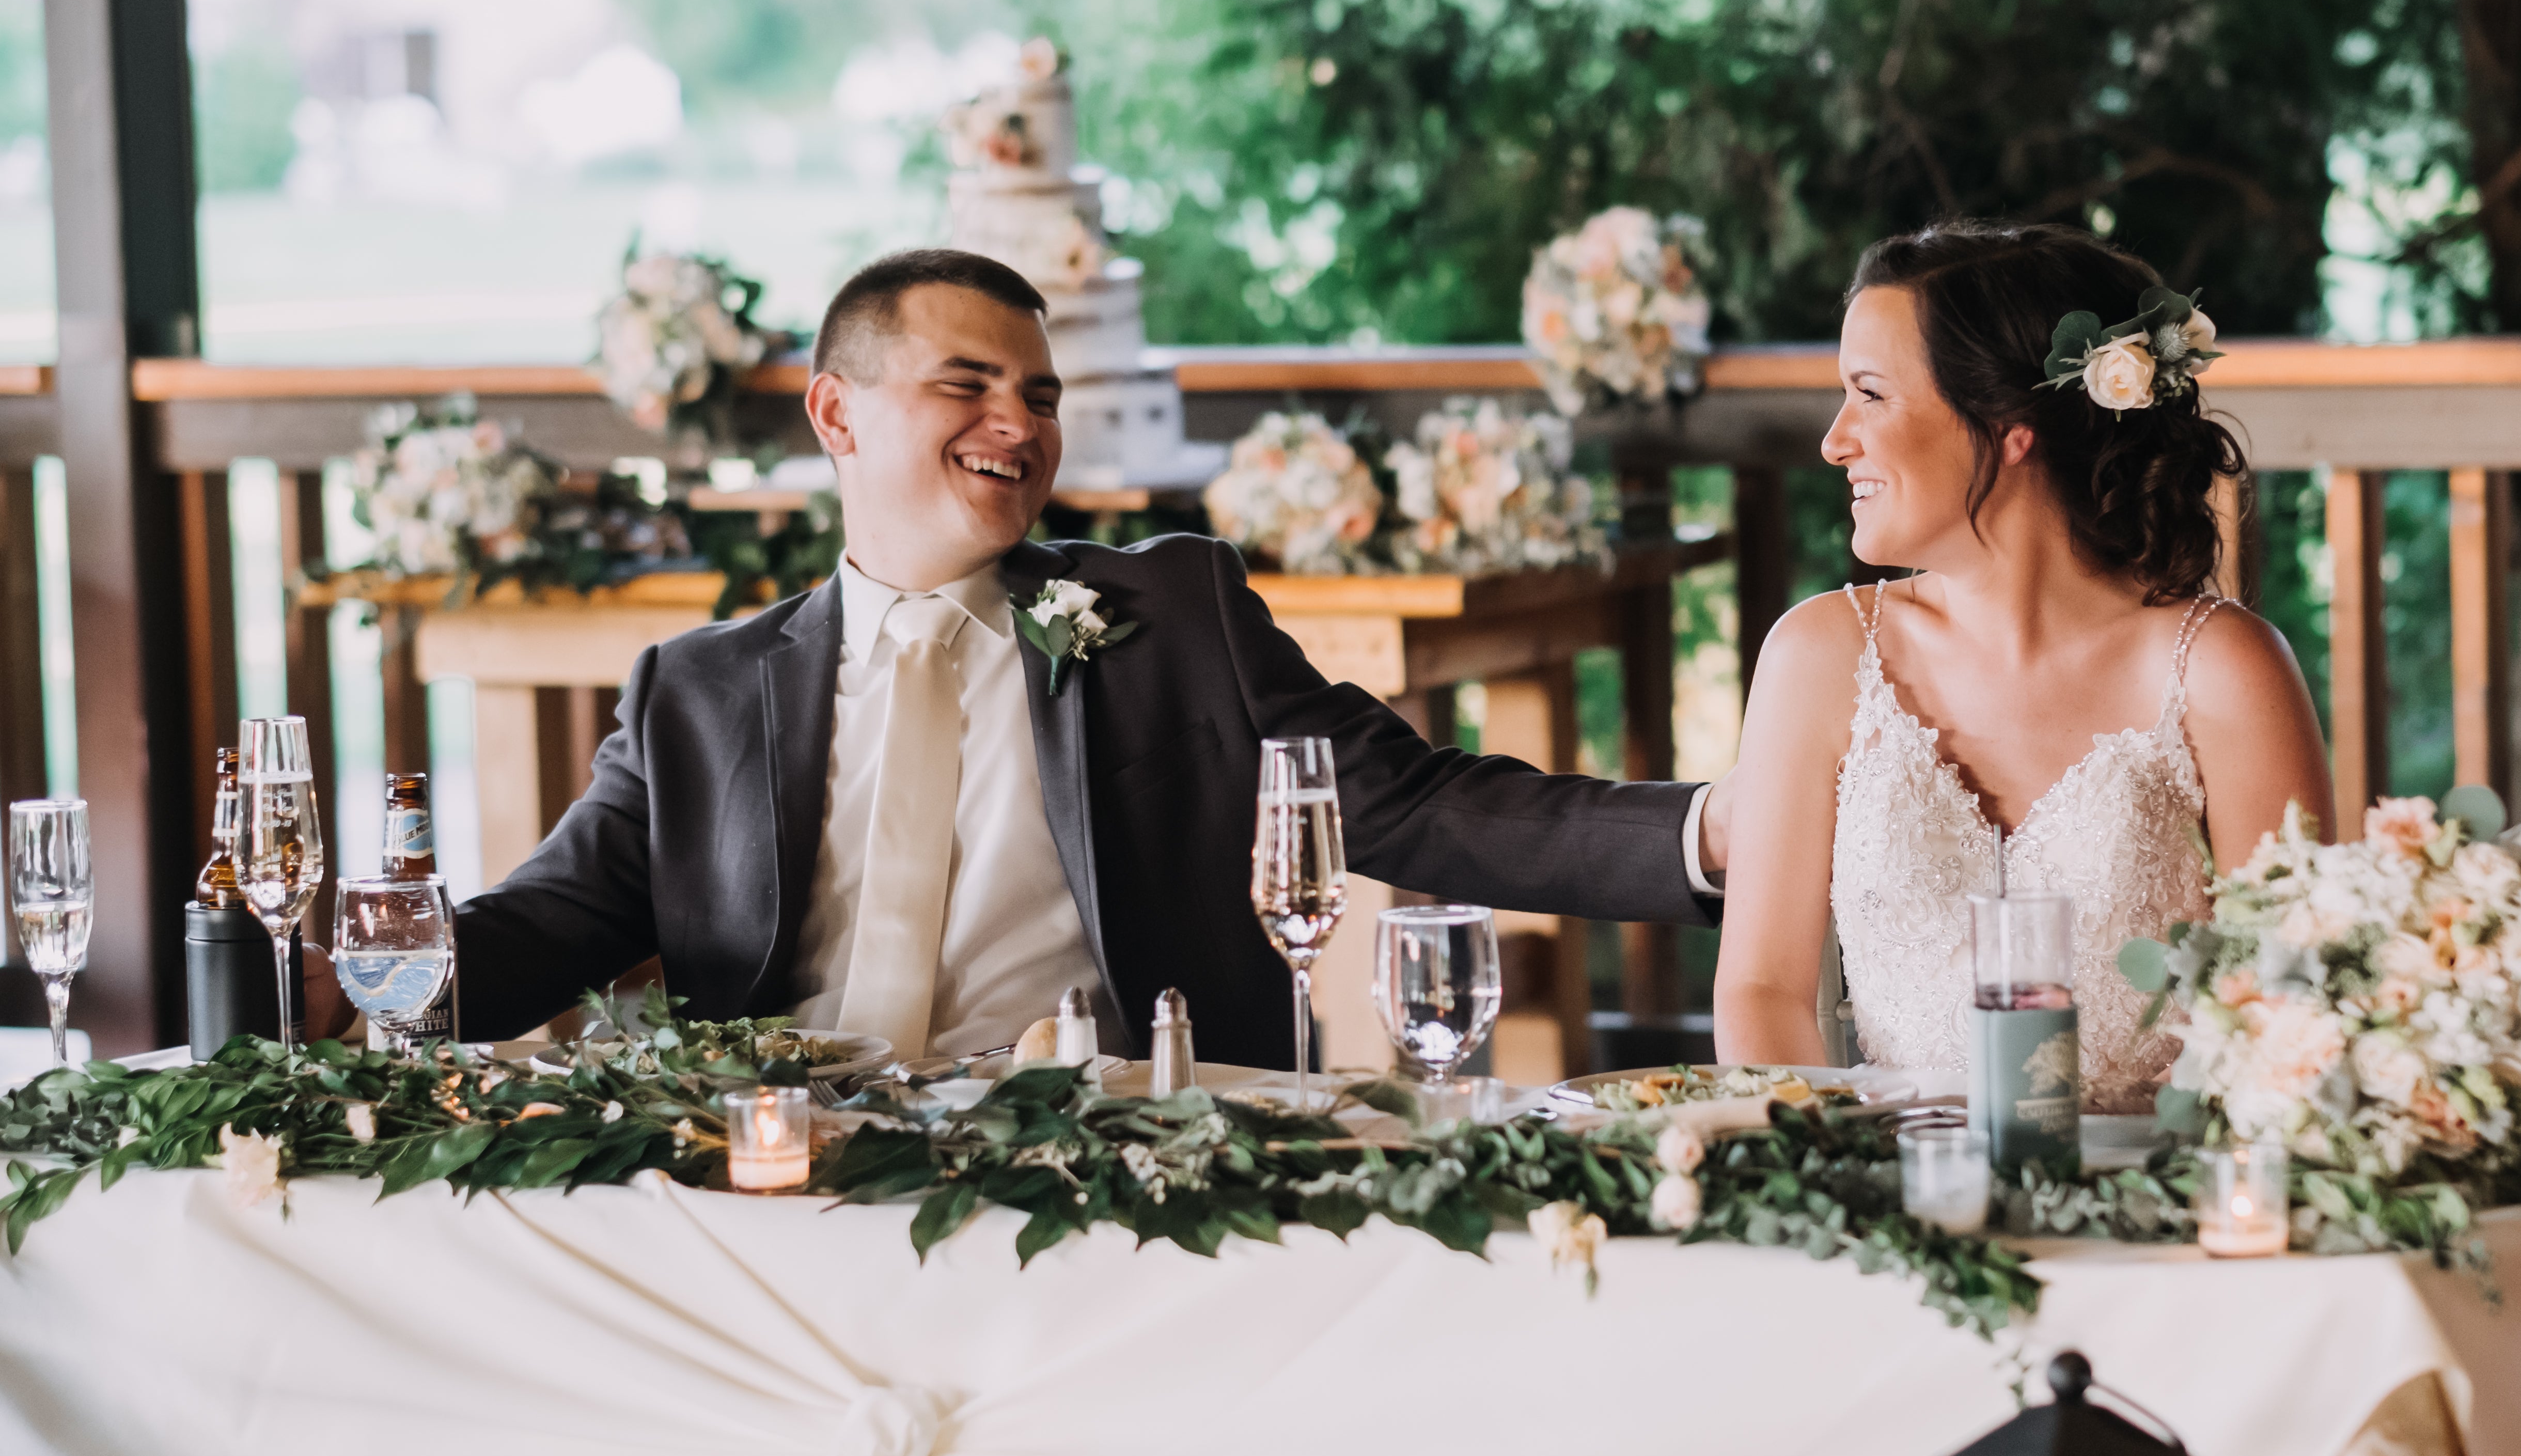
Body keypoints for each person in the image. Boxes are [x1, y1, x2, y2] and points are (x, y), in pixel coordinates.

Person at [392, 248, 1723, 1068]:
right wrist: (363, 974)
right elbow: (554, 923)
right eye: (966, 386)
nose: (1016, 424)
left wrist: (1718, 833)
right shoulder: (695, 691)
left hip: (1095, 1162)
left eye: (1040, 396)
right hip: (779, 1173)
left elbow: (1420, 805)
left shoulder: (1172, 618)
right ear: (837, 414)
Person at [1710, 220, 2331, 1109]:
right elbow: (1761, 992)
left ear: (2006, 427)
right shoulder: (1817, 657)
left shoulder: (2222, 668)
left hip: (2155, 1211)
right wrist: (1828, 1185)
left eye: (1871, 396)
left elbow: (2290, 994)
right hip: (1888, 1204)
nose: (1834, 441)